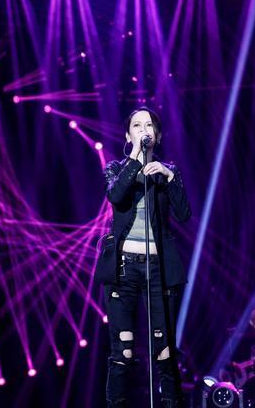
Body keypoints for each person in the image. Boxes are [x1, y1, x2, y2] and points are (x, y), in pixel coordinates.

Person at [96, 107, 191, 408]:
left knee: (164, 350)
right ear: (128, 136)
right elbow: (116, 196)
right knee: (122, 350)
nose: (144, 130)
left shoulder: (166, 172)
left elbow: (184, 214)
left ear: (158, 136)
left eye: (149, 126)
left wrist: (169, 175)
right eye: (137, 126)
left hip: (158, 269)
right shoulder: (116, 168)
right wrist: (136, 157)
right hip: (123, 269)